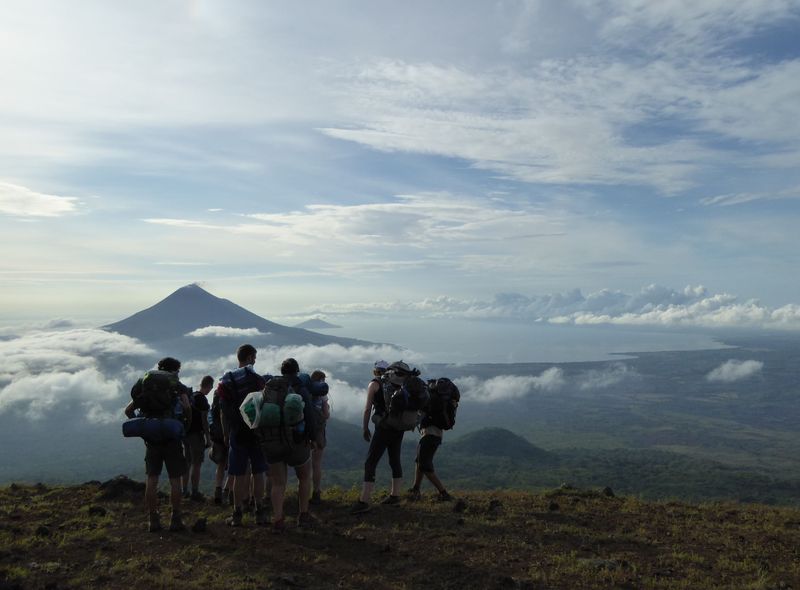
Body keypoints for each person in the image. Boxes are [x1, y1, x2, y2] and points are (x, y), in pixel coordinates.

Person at [125, 356, 192, 533]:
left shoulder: (147, 384)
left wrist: (143, 426)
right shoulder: (177, 385)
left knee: (152, 479)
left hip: (152, 439)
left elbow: (128, 410)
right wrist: (184, 426)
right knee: (175, 480)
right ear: (174, 370)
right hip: (172, 438)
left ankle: (153, 520)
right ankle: (175, 519)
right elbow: (186, 407)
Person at [259, 357, 318, 532]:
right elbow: (309, 415)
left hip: (272, 441)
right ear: (297, 371)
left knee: (278, 483)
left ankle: (278, 520)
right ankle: (303, 515)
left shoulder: (269, 388)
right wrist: (312, 437)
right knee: (304, 478)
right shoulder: (299, 388)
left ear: (282, 371)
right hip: (297, 441)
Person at [217, 344, 269, 527]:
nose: (255, 360)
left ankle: (237, 513)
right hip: (256, 432)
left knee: (238, 474)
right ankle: (260, 511)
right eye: (254, 357)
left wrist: (225, 433)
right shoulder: (257, 380)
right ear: (248, 357)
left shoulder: (226, 381)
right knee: (258, 471)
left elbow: (223, 411)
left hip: (237, 432)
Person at [351, 360, 408, 514]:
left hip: (383, 428)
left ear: (376, 371)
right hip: (398, 427)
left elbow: (367, 408)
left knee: (370, 462)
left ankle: (364, 500)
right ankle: (395, 496)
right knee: (394, 459)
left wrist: (365, 427)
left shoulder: (375, 384)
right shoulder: (398, 384)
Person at [182, 375, 213, 501]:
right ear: (209, 386)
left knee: (187, 463)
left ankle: (184, 491)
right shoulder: (202, 400)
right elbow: (204, 421)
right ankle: (195, 492)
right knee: (196, 464)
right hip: (196, 435)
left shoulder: (191, 396)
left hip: (185, 434)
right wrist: (208, 438)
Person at [309, 370, 330, 505]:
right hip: (318, 431)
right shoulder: (322, 395)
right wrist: (326, 407)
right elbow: (326, 415)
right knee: (316, 464)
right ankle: (316, 492)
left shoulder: (303, 391)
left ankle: (301, 491)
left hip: (302, 430)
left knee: (302, 465)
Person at [208, 386, 232, 505]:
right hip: (230, 433)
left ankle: (217, 491)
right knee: (234, 465)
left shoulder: (216, 397)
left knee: (220, 464)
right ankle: (226, 492)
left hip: (217, 434)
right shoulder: (233, 394)